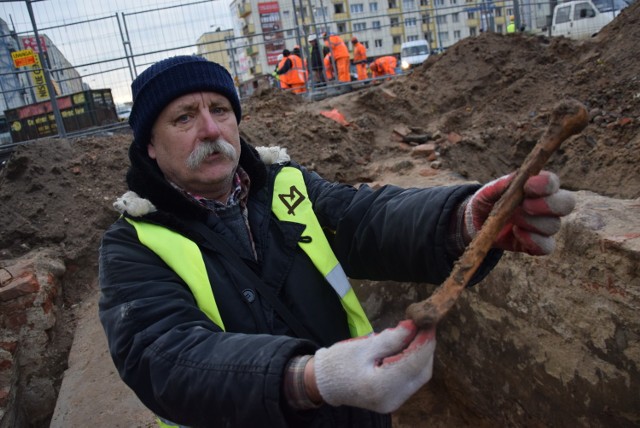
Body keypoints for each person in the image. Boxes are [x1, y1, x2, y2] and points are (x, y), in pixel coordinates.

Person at [98, 55, 575, 428]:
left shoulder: (286, 186)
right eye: (184, 118)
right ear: (150, 147)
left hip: (353, 415)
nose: (211, 130)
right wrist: (309, 379)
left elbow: (365, 219)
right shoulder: (134, 246)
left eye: (220, 110)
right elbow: (164, 357)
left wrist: (464, 217)